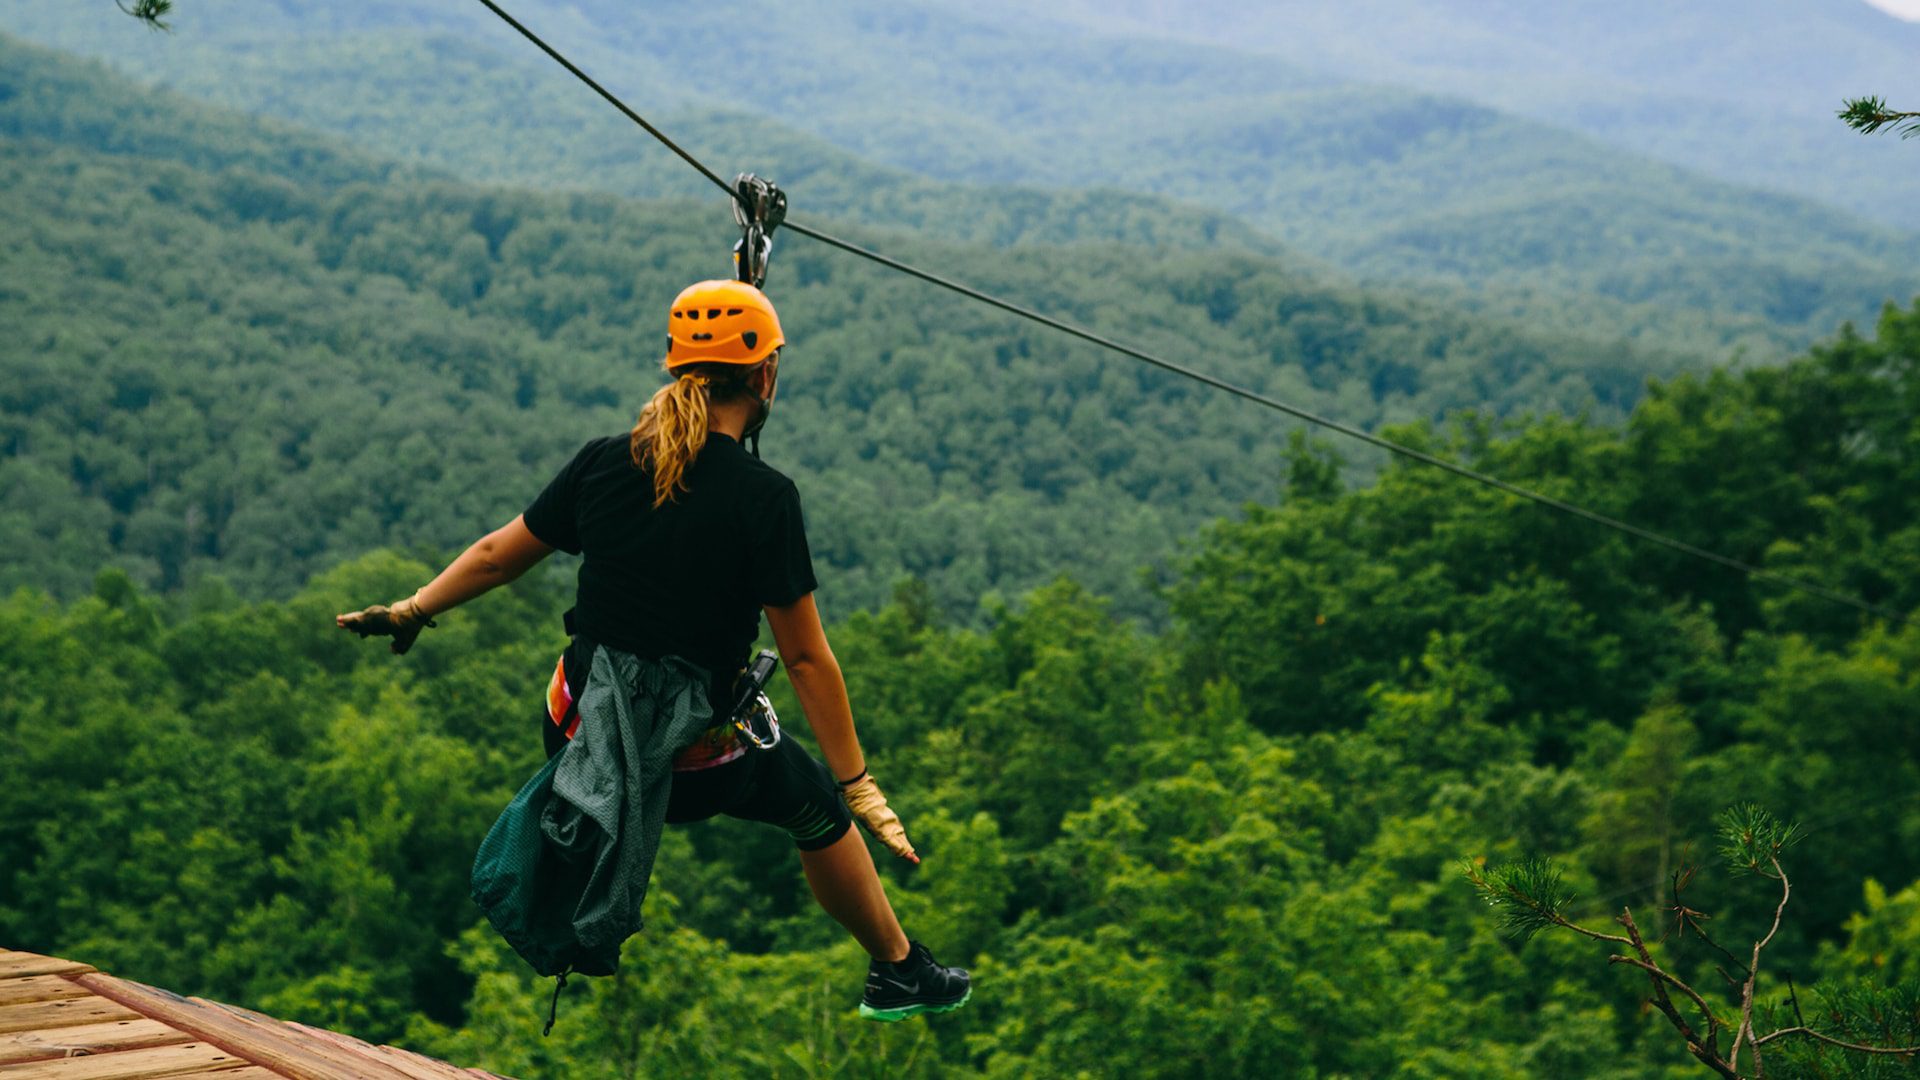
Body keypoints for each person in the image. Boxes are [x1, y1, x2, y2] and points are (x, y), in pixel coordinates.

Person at [336, 279, 970, 1022]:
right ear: (765, 376)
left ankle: (892, 961)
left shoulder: (606, 461)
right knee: (817, 812)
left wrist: (414, 608)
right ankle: (897, 969)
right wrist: (857, 782)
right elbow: (803, 659)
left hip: (574, 727)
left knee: (613, 674)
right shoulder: (764, 498)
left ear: (676, 369)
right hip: (686, 764)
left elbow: (496, 556)